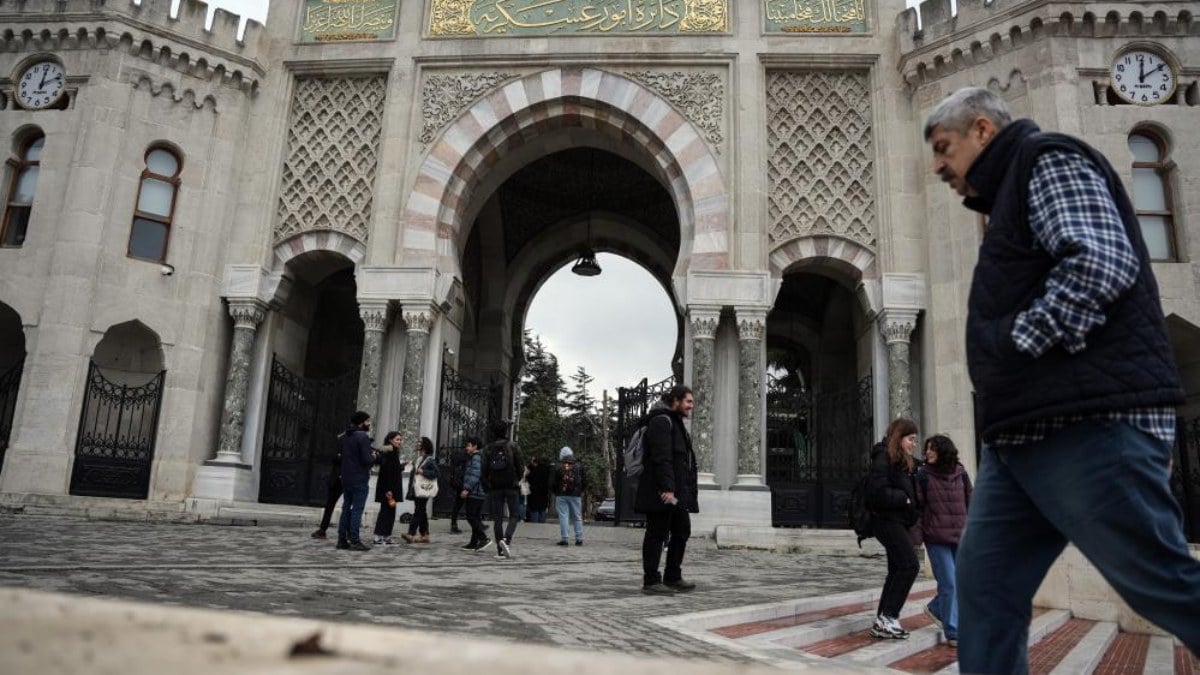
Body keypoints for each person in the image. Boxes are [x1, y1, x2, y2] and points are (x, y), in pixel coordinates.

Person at [925, 87, 1200, 671]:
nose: (938, 166)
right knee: (986, 590)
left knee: (1160, 582)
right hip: (1025, 434)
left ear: (981, 130)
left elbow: (1101, 260)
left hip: (1087, 423)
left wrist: (1018, 344)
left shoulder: (1046, 160)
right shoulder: (1008, 198)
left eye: (944, 148)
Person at [635, 384, 698, 595]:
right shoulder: (661, 421)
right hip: (662, 492)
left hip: (677, 493)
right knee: (657, 533)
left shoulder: (675, 422)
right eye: (688, 401)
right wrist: (667, 487)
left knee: (682, 530)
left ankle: (673, 576)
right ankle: (651, 580)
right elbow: (662, 458)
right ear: (676, 401)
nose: (691, 406)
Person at [866, 418, 920, 640]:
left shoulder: (904, 461)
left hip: (897, 520)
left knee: (898, 568)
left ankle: (883, 620)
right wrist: (905, 499)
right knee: (910, 565)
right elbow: (877, 492)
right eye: (911, 439)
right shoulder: (883, 456)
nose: (913, 444)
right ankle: (889, 616)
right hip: (885, 520)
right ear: (899, 437)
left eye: (915, 440)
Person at [917, 434, 971, 648]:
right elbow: (919, 510)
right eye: (926, 448)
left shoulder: (961, 473)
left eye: (932, 448)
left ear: (944, 451)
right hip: (936, 538)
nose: (927, 452)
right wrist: (916, 538)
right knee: (948, 582)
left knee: (960, 583)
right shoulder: (923, 475)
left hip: (960, 536)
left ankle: (936, 609)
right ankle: (953, 631)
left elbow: (971, 500)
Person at [482, 419, 523, 560]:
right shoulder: (513, 446)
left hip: (495, 487)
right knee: (514, 515)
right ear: (506, 431)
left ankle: (500, 549)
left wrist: (488, 483)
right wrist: (517, 479)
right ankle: (507, 540)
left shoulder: (488, 448)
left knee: (497, 518)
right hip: (511, 486)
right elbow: (521, 468)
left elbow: (483, 470)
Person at [336, 410, 376, 551]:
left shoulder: (345, 436)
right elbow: (367, 459)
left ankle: (341, 540)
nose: (369, 424)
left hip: (346, 477)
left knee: (346, 507)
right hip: (359, 477)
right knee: (357, 509)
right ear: (361, 422)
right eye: (367, 421)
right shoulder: (362, 436)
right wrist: (375, 457)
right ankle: (355, 540)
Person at [402, 436, 436, 544]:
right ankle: (424, 534)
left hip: (423, 489)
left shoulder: (429, 459)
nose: (418, 443)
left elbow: (436, 473)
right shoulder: (419, 458)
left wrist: (423, 472)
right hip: (417, 489)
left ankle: (411, 534)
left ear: (425, 445)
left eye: (420, 442)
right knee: (421, 511)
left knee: (418, 511)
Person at [459, 435, 490, 552]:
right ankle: (473, 542)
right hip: (479, 492)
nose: (466, 448)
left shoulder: (476, 458)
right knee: (475, 517)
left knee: (471, 516)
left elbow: (475, 475)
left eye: (468, 445)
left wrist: (467, 488)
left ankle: (483, 538)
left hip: (475, 492)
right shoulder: (478, 457)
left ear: (475, 446)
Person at [371, 431, 404, 545]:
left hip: (393, 487)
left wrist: (401, 467)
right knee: (385, 511)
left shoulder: (394, 452)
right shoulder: (389, 452)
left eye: (400, 440)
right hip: (388, 488)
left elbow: (394, 469)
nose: (399, 442)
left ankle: (386, 535)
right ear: (390, 440)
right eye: (397, 439)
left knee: (391, 511)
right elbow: (386, 471)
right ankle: (378, 535)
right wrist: (388, 490)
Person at [553, 446, 587, 546]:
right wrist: (580, 491)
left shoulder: (558, 466)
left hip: (561, 494)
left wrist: (556, 492)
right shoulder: (578, 465)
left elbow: (552, 482)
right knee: (577, 516)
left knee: (563, 516)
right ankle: (579, 538)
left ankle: (565, 539)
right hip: (575, 495)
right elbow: (584, 480)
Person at [311, 438, 343, 539]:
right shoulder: (340, 443)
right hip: (337, 479)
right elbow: (334, 457)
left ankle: (348, 531)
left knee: (349, 507)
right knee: (329, 505)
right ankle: (322, 529)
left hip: (350, 479)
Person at [448, 443, 467, 534]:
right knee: (460, 504)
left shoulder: (458, 453)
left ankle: (453, 524)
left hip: (458, 482)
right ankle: (453, 524)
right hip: (462, 482)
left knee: (458, 504)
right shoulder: (465, 455)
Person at [525, 455, 550, 523]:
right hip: (544, 493)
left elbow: (527, 478)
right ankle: (542, 523)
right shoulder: (546, 469)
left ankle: (535, 525)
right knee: (542, 509)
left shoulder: (532, 469)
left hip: (534, 493)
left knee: (534, 510)